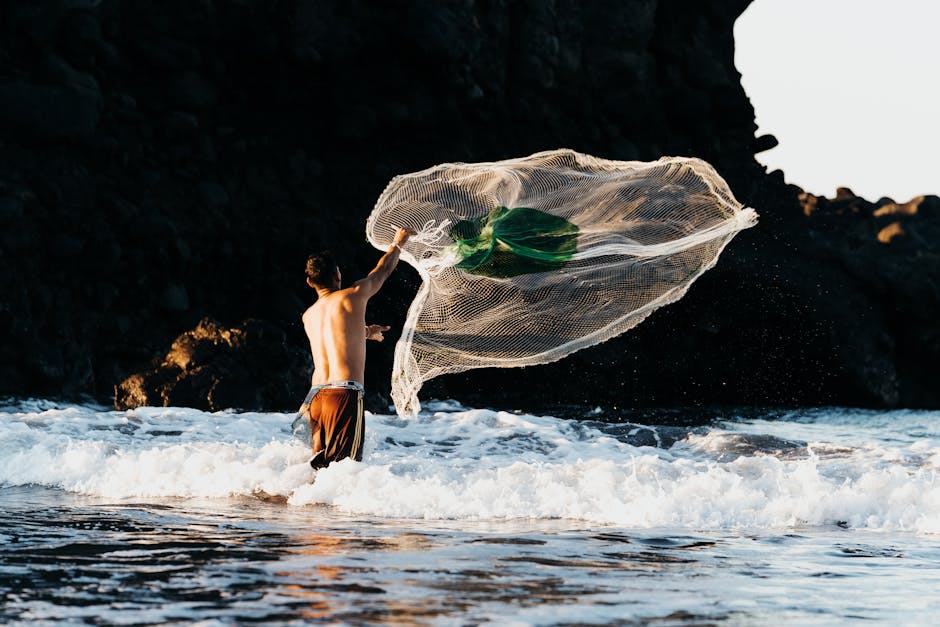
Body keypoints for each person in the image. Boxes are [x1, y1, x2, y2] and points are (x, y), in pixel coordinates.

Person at [299, 227, 415, 469]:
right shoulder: (352, 296)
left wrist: (367, 332)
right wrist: (398, 243)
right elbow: (382, 271)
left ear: (310, 282)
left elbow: (336, 336)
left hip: (315, 399)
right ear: (338, 276)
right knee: (344, 471)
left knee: (318, 470)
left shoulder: (308, 316)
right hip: (343, 395)